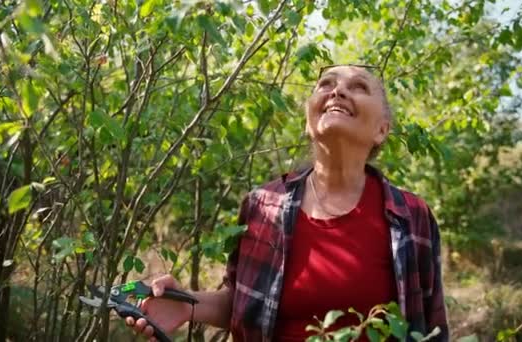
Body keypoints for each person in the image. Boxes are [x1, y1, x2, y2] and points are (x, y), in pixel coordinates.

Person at [126, 65, 448, 341]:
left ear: (382, 130)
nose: (337, 91)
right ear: (309, 121)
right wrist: (187, 304)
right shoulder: (263, 205)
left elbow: (431, 327)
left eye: (359, 87)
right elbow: (242, 301)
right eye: (326, 84)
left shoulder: (410, 215)